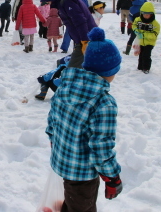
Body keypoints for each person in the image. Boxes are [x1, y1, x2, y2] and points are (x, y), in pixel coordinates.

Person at [46, 27, 122, 211]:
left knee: (72, 203)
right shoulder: (104, 103)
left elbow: (52, 120)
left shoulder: (66, 86)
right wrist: (112, 177)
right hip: (83, 174)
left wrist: (54, 141)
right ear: (109, 71)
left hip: (63, 162)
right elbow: (101, 146)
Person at [40, 0, 97, 68]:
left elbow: (80, 21)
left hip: (86, 38)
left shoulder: (67, 1)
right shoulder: (62, 2)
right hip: (81, 39)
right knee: (75, 66)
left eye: (48, 0)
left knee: (74, 68)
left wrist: (85, 41)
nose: (48, 3)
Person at [132, 2, 160, 74]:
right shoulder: (138, 20)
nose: (145, 16)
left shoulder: (155, 24)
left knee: (146, 55)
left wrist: (144, 35)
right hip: (141, 42)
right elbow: (134, 25)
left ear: (151, 14)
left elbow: (155, 34)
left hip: (149, 43)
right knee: (141, 54)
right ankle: (140, 67)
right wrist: (136, 30)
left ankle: (146, 68)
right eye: (144, 14)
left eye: (147, 15)